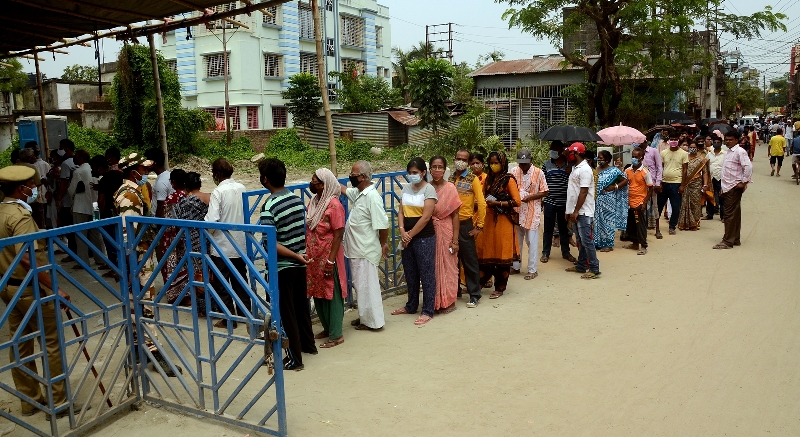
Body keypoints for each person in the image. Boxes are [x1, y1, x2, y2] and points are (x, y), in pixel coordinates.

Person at [0, 166, 75, 418]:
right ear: (22, 189)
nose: (34, 190)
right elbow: (27, 257)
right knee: (51, 343)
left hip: (8, 286)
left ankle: (29, 399)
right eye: (31, 186)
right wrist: (55, 288)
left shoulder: (1, 211)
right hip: (30, 287)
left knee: (20, 342)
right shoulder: (20, 217)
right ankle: (59, 402)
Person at [115, 153, 180, 376]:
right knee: (145, 304)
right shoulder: (129, 197)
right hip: (138, 258)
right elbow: (128, 232)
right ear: (133, 172)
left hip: (139, 256)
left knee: (136, 306)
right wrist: (134, 262)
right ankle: (154, 352)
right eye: (143, 171)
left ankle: (137, 351)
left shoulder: (131, 192)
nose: (146, 175)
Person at [258, 158, 316, 370]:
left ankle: (294, 359)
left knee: (286, 312)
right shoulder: (296, 199)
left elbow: (271, 243)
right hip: (300, 261)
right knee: (301, 306)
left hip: (283, 265)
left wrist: (292, 254)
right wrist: (298, 254)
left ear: (265, 179)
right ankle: (309, 346)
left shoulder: (269, 205)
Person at [342, 160, 389, 330]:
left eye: (353, 175)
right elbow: (345, 190)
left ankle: (374, 322)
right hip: (357, 249)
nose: (350, 177)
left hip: (366, 249)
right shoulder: (360, 193)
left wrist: (383, 243)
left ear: (362, 177)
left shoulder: (372, 197)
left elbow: (383, 225)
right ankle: (365, 317)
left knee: (368, 287)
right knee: (361, 286)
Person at [391, 157, 438, 325]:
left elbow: (426, 217)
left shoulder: (429, 190)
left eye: (415, 173)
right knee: (410, 273)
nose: (412, 175)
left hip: (424, 238)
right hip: (407, 237)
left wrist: (410, 235)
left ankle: (427, 310)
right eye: (409, 173)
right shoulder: (406, 189)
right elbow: (401, 212)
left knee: (426, 274)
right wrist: (402, 231)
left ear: (423, 173)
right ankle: (411, 305)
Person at [205, 158, 249, 329]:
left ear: (216, 174)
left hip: (222, 245)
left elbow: (212, 220)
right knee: (240, 279)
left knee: (222, 282)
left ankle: (229, 318)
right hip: (240, 242)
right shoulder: (241, 187)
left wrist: (207, 231)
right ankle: (245, 312)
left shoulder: (218, 192)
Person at [305, 168, 347, 348]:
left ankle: (336, 334)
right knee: (318, 292)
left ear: (325, 184)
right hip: (314, 257)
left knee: (333, 293)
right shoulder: (314, 202)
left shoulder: (334, 205)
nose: (312, 182)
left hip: (329, 256)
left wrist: (330, 260)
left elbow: (338, 235)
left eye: (316, 180)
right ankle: (327, 327)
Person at [476, 151, 520, 298]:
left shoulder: (509, 180)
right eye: (491, 163)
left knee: (501, 253)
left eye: (496, 163)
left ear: (503, 163)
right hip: (488, 220)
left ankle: (500, 287)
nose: (493, 165)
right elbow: (482, 197)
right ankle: (481, 282)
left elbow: (517, 201)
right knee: (486, 251)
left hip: (503, 221)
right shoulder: (488, 179)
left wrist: (497, 202)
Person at [450, 149, 486, 308]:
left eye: (464, 159)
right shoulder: (450, 178)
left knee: (469, 261)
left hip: (465, 224)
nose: (460, 161)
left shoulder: (473, 179)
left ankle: (474, 294)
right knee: (451, 260)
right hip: (449, 224)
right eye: (458, 158)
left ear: (468, 162)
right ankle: (453, 291)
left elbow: (482, 203)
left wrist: (479, 226)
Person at [170, 172, 209, 314]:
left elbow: (173, 222)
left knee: (197, 275)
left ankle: (202, 309)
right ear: (200, 184)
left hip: (191, 241)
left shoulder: (182, 203)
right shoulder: (209, 198)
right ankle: (215, 305)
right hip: (209, 240)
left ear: (185, 185)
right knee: (211, 273)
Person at [428, 156, 462, 313]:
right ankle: (435, 301)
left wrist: (455, 240)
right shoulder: (427, 188)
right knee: (433, 267)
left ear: (445, 169)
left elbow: (455, 215)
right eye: (434, 167)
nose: (436, 170)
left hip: (447, 230)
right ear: (429, 169)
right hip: (430, 232)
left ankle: (449, 301)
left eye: (440, 167)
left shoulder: (450, 188)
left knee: (449, 266)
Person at [564, 142, 600, 279]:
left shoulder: (585, 169)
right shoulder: (575, 168)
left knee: (587, 240)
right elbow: (572, 192)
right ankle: (581, 265)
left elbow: (583, 192)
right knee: (580, 240)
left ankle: (594, 268)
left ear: (577, 153)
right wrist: (569, 210)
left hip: (584, 211)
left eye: (571, 153)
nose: (569, 156)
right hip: (575, 211)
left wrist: (576, 211)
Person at [510, 148, 548, 278]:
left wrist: (530, 197)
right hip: (517, 211)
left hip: (532, 211)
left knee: (531, 241)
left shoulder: (539, 173)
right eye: (521, 163)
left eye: (525, 163)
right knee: (516, 241)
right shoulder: (514, 172)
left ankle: (532, 270)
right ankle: (515, 267)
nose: (523, 166)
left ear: (531, 160)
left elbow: (545, 191)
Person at [714, 131, 752, 249]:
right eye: (727, 139)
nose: (728, 141)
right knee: (734, 213)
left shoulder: (740, 152)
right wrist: (723, 187)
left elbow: (748, 167)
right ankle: (735, 238)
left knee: (729, 214)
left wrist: (744, 182)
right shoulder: (729, 152)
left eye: (731, 139)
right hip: (728, 186)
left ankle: (727, 241)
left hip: (734, 187)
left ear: (736, 140)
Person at [68, 149, 106, 269]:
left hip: (80, 206)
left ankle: (83, 262)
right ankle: (101, 259)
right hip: (95, 206)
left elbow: (71, 190)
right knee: (95, 234)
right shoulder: (93, 168)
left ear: (80, 158)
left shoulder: (78, 171)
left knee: (81, 235)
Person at [541, 141, 577, 265]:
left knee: (563, 228)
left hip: (564, 202)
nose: (552, 151)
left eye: (554, 149)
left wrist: (570, 173)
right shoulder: (546, 164)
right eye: (551, 149)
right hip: (550, 201)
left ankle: (566, 252)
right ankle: (545, 252)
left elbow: (575, 182)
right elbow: (542, 182)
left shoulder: (570, 165)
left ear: (561, 150)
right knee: (548, 228)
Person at [91, 155, 124, 278]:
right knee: (119, 240)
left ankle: (115, 268)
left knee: (109, 241)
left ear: (99, 168)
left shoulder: (104, 179)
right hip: (120, 212)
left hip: (108, 214)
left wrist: (98, 216)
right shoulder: (119, 175)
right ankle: (119, 265)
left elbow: (101, 200)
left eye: (93, 168)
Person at [159, 170, 188, 304]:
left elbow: (168, 221)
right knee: (186, 265)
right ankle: (188, 293)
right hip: (187, 236)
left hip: (172, 237)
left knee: (172, 265)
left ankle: (175, 294)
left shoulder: (171, 198)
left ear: (174, 182)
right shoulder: (189, 195)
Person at [594, 150, 627, 252]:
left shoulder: (614, 171)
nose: (599, 160)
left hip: (609, 200)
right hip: (597, 200)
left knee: (608, 222)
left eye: (601, 158)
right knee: (597, 221)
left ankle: (608, 244)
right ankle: (598, 242)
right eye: (598, 158)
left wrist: (615, 186)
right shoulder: (596, 170)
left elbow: (625, 181)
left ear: (607, 160)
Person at [623, 148, 654, 255]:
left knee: (640, 224)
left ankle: (643, 245)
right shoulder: (627, 171)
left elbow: (651, 188)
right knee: (631, 224)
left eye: (636, 157)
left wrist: (645, 203)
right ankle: (634, 243)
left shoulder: (645, 172)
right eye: (633, 156)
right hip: (629, 202)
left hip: (640, 202)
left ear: (641, 158)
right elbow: (624, 182)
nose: (634, 159)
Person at [677, 142, 710, 231]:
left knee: (695, 203)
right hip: (685, 183)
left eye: (694, 147)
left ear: (697, 148)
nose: (692, 149)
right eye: (690, 147)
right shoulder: (684, 157)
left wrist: (705, 184)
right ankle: (685, 223)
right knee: (684, 202)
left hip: (696, 183)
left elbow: (705, 173)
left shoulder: (701, 159)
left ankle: (695, 223)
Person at [658, 139, 689, 235]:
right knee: (659, 206)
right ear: (669, 141)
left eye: (675, 139)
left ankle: (672, 226)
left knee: (676, 207)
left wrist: (682, 185)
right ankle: (656, 226)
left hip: (676, 183)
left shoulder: (683, 153)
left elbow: (685, 170)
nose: (673, 141)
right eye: (672, 139)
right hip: (664, 182)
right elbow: (660, 168)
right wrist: (659, 182)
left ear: (678, 140)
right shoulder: (663, 153)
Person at [56, 139, 78, 261]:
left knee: (69, 228)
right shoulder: (78, 162)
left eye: (61, 147)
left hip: (67, 200)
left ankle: (72, 253)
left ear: (66, 148)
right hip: (77, 199)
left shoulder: (65, 164)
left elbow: (64, 183)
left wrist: (59, 199)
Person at [23, 142, 49, 229]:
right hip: (37, 198)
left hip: (29, 198)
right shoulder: (34, 166)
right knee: (40, 222)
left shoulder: (18, 167)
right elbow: (38, 183)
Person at [641, 141, 663, 237]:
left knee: (655, 206)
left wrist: (658, 182)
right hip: (641, 184)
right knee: (642, 206)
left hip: (652, 183)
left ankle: (657, 230)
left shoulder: (653, 151)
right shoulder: (637, 152)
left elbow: (659, 167)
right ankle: (643, 228)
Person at [145, 148, 173, 219]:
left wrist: (156, 223)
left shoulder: (161, 182)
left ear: (153, 163)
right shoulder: (167, 175)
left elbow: (160, 207)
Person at [705, 137, 726, 220]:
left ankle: (723, 216)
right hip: (711, 178)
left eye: (718, 142)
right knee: (710, 196)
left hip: (721, 178)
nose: (716, 143)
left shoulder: (725, 154)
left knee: (722, 197)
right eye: (715, 142)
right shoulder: (709, 154)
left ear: (721, 143)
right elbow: (706, 165)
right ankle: (710, 215)